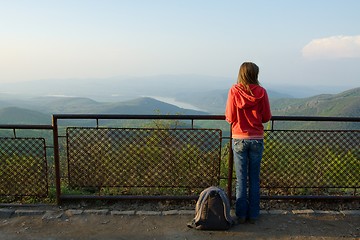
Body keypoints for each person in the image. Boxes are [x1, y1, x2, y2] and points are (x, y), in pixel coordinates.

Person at [225, 62, 272, 223]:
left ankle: (241, 214)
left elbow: (230, 117)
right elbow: (266, 117)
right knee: (254, 178)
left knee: (241, 179)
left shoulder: (234, 91)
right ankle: (253, 214)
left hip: (239, 138)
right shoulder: (262, 92)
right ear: (255, 74)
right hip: (257, 139)